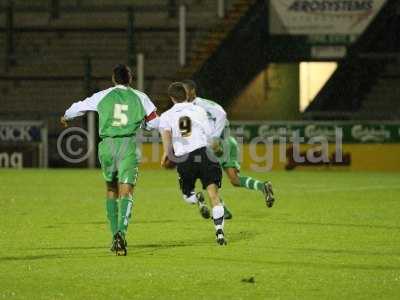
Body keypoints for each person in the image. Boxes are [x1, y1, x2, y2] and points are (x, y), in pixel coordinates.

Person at [61, 64, 159, 255]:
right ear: (130, 79)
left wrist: (66, 116)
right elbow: (154, 122)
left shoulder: (102, 95)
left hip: (107, 146)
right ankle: (121, 233)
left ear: (113, 79)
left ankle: (114, 233)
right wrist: (144, 125)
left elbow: (79, 107)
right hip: (127, 145)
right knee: (127, 190)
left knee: (111, 189)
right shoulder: (140, 97)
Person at [182, 79, 275, 207]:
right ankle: (263, 186)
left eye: (184, 91)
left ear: (192, 91)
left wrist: (215, 138)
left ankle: (222, 210)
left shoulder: (200, 105)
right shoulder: (187, 109)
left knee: (207, 179)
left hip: (218, 145)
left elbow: (221, 113)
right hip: (227, 141)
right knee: (235, 180)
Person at [159, 82, 227, 245]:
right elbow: (210, 136)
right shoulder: (199, 110)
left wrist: (166, 154)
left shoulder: (167, 116)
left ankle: (197, 199)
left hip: (185, 160)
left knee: (186, 195)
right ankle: (219, 232)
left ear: (172, 98)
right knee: (214, 196)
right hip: (204, 155)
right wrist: (216, 149)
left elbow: (167, 136)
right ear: (186, 94)